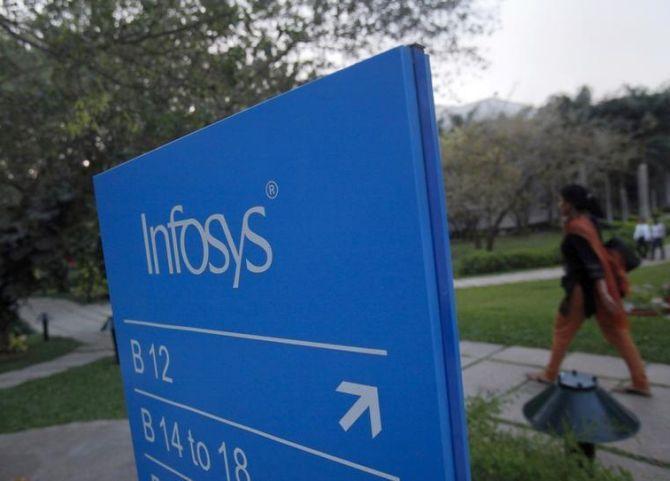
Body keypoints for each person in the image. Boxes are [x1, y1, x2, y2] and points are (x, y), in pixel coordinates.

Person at [528, 184, 651, 396]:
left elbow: (592, 261)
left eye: (561, 200)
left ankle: (549, 374)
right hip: (594, 287)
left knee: (563, 330)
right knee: (617, 333)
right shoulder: (588, 222)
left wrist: (603, 292)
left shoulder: (577, 228)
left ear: (570, 204)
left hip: (583, 289)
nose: (559, 204)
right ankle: (641, 382)